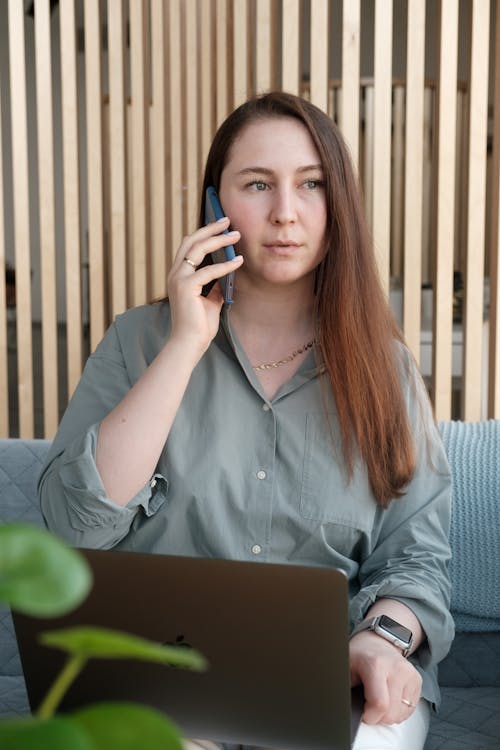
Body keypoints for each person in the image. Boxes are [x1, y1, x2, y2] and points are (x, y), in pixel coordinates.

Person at [39, 91, 454, 750]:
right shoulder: (136, 343)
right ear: (215, 206)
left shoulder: (389, 371)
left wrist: (386, 639)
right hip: (164, 675)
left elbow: (416, 559)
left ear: (336, 204)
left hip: (335, 675)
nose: (286, 213)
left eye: (311, 184)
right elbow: (76, 527)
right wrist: (184, 344)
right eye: (257, 184)